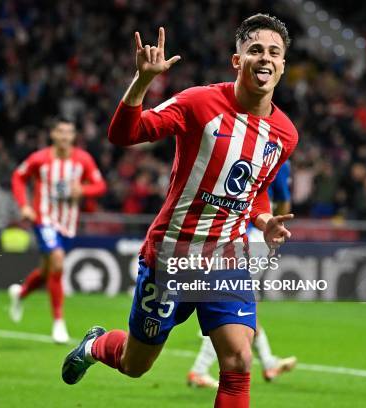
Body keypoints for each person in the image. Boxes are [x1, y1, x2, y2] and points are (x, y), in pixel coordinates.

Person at [61, 14, 298, 408]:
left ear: (283, 65)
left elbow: (255, 190)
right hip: (171, 254)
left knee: (238, 360)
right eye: (255, 50)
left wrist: (263, 219)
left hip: (225, 257)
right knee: (136, 364)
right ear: (237, 61)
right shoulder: (199, 103)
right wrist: (142, 81)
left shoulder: (285, 134)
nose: (265, 59)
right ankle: (95, 345)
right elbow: (124, 135)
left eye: (275, 52)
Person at [188, 161, 297, 389]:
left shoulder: (244, 150)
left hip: (235, 236)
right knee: (234, 308)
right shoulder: (279, 160)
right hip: (253, 239)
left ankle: (268, 362)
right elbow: (284, 200)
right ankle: (199, 369)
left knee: (242, 306)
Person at [8, 118, 106, 343]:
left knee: (46, 272)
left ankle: (20, 294)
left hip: (68, 224)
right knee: (58, 260)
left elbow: (100, 185)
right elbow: (18, 177)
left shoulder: (83, 159)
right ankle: (59, 323)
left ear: (73, 136)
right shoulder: (39, 159)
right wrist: (24, 205)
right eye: (60, 132)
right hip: (44, 220)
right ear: (53, 135)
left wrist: (83, 189)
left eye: (68, 133)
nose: (64, 137)